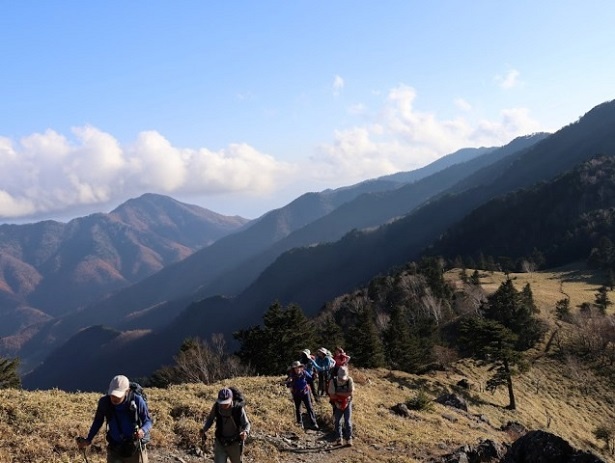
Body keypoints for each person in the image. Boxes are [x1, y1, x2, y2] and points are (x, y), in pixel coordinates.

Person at [77, 374, 153, 463]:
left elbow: (148, 421)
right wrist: (88, 439)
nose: (114, 398)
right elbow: (98, 421)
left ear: (127, 391)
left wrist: (142, 430)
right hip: (115, 447)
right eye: (112, 394)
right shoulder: (105, 402)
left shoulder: (137, 400)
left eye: (118, 395)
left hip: (135, 448)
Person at [200, 387, 251, 463]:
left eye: (226, 402)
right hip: (220, 441)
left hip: (235, 442)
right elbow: (210, 419)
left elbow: (246, 424)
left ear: (231, 399)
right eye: (222, 402)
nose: (224, 405)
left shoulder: (238, 409)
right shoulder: (217, 407)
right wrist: (204, 429)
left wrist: (245, 432)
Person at [285, 360, 319, 430]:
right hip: (296, 393)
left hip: (305, 392)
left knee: (309, 407)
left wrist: (314, 376)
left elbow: (310, 380)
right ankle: (299, 424)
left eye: (298, 367)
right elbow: (288, 385)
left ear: (301, 367)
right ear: (293, 369)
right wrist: (289, 382)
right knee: (298, 409)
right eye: (295, 368)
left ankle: (314, 423)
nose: (297, 369)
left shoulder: (304, 373)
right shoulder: (291, 375)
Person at [328, 365, 354, 446]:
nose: (342, 379)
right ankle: (339, 438)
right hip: (336, 403)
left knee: (347, 421)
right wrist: (343, 396)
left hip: (347, 402)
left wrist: (338, 394)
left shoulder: (349, 380)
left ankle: (349, 438)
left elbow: (350, 393)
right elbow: (331, 395)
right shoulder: (333, 381)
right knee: (337, 421)